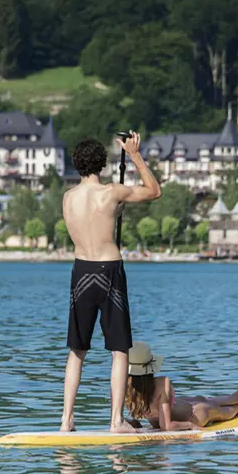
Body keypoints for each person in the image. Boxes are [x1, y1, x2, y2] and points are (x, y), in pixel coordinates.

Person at [60, 132, 162, 433]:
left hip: (80, 272)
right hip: (109, 272)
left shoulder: (67, 198)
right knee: (119, 350)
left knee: (77, 351)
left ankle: (66, 420)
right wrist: (134, 155)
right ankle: (116, 421)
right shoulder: (112, 193)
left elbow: (90, 221)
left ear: (77, 165)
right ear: (103, 164)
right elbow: (154, 191)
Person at [124, 341, 238, 431]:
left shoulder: (124, 387)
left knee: (201, 398)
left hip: (184, 409)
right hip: (194, 416)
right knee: (225, 412)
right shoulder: (162, 383)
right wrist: (192, 426)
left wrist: (132, 423)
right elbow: (166, 427)